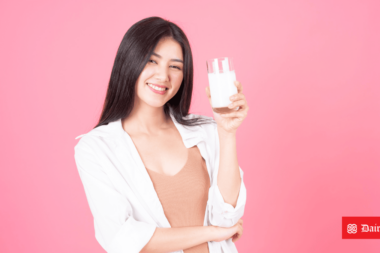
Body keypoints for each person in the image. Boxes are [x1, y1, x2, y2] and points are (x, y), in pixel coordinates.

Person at [74, 16, 249, 253]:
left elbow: (228, 217)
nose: (163, 76)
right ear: (129, 62)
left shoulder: (207, 131)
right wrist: (211, 232)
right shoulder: (96, 148)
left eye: (175, 66)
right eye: (151, 61)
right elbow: (122, 239)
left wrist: (227, 133)